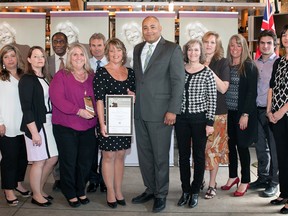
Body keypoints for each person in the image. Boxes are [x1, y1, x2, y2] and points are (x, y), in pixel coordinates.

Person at [131, 16, 185, 213]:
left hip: (162, 113)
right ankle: (150, 189)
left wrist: (173, 110)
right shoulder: (137, 49)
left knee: (160, 156)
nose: (149, 30)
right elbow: (140, 79)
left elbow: (178, 82)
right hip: (140, 111)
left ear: (160, 28)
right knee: (144, 155)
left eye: (153, 27)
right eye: (145, 27)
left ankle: (161, 194)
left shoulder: (172, 49)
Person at [49, 42, 97, 208]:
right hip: (66, 126)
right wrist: (78, 111)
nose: (78, 57)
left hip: (88, 126)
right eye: (74, 54)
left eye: (81, 54)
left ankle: (80, 189)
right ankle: (70, 193)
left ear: (86, 57)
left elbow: (99, 98)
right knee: (69, 161)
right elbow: (57, 99)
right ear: (69, 57)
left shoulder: (92, 75)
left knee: (84, 162)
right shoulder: (61, 75)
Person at [93, 38, 135, 209]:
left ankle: (118, 190)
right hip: (107, 122)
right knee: (108, 156)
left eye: (118, 50)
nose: (115, 54)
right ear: (107, 53)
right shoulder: (101, 72)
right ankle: (110, 190)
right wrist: (102, 124)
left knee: (120, 156)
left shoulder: (130, 73)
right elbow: (99, 100)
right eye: (111, 51)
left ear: (123, 52)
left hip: (123, 123)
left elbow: (134, 95)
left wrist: (134, 97)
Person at [175, 39, 217, 208]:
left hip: (200, 121)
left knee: (199, 156)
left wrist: (209, 122)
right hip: (181, 120)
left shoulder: (207, 72)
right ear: (187, 52)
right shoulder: (180, 70)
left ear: (201, 52)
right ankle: (185, 190)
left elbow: (212, 99)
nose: (193, 53)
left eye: (196, 50)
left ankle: (194, 192)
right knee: (183, 157)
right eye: (190, 50)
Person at [18, 46, 58, 207]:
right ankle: (36, 195)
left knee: (53, 158)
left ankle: (39, 189)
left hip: (48, 122)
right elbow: (26, 107)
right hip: (35, 124)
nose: (40, 59)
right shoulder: (27, 79)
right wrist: (34, 132)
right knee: (39, 160)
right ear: (29, 59)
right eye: (35, 56)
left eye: (42, 56)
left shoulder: (46, 77)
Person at [221, 34, 258, 197]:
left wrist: (245, 114)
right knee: (230, 147)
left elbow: (252, 93)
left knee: (242, 147)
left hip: (242, 113)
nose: (234, 49)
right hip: (228, 112)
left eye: (238, 45)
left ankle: (245, 180)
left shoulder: (249, 66)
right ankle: (232, 176)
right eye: (232, 46)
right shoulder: (227, 65)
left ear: (243, 47)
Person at [0, 44, 31, 206]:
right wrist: (0, 122)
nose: (10, 59)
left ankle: (18, 183)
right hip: (7, 125)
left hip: (24, 125)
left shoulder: (23, 75)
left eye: (12, 55)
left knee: (22, 157)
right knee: (9, 158)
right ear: (2, 60)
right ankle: (8, 189)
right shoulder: (0, 77)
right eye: (6, 57)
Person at [250, 30, 279, 198]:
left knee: (275, 149)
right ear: (258, 45)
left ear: (274, 45)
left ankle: (274, 182)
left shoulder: (280, 63)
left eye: (269, 43)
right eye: (262, 43)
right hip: (257, 111)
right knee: (261, 148)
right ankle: (262, 177)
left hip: (272, 113)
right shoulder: (255, 63)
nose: (265, 45)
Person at [202, 31, 230, 199]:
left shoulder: (222, 63)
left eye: (212, 42)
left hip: (218, 114)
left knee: (214, 151)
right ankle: (199, 180)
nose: (209, 45)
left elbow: (223, 88)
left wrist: (206, 69)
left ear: (217, 45)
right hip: (199, 113)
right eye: (206, 42)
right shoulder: (195, 60)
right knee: (200, 150)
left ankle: (212, 185)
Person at [267, 24, 288, 214]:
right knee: (281, 156)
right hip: (276, 116)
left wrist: (281, 111)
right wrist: (269, 110)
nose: (286, 37)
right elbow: (271, 88)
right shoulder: (279, 62)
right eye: (284, 35)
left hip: (285, 114)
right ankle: (284, 193)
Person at [87, 32, 108, 193]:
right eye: (93, 45)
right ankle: (93, 179)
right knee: (92, 148)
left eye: (99, 45)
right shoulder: (85, 64)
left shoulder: (112, 63)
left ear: (105, 46)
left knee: (107, 149)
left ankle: (104, 179)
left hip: (109, 112)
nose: (96, 49)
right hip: (89, 112)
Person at [47, 32, 68, 191]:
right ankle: (58, 178)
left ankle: (69, 175)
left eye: (61, 41)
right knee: (55, 144)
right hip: (51, 110)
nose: (58, 44)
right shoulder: (46, 61)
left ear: (67, 43)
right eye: (55, 41)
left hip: (70, 109)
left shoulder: (74, 58)